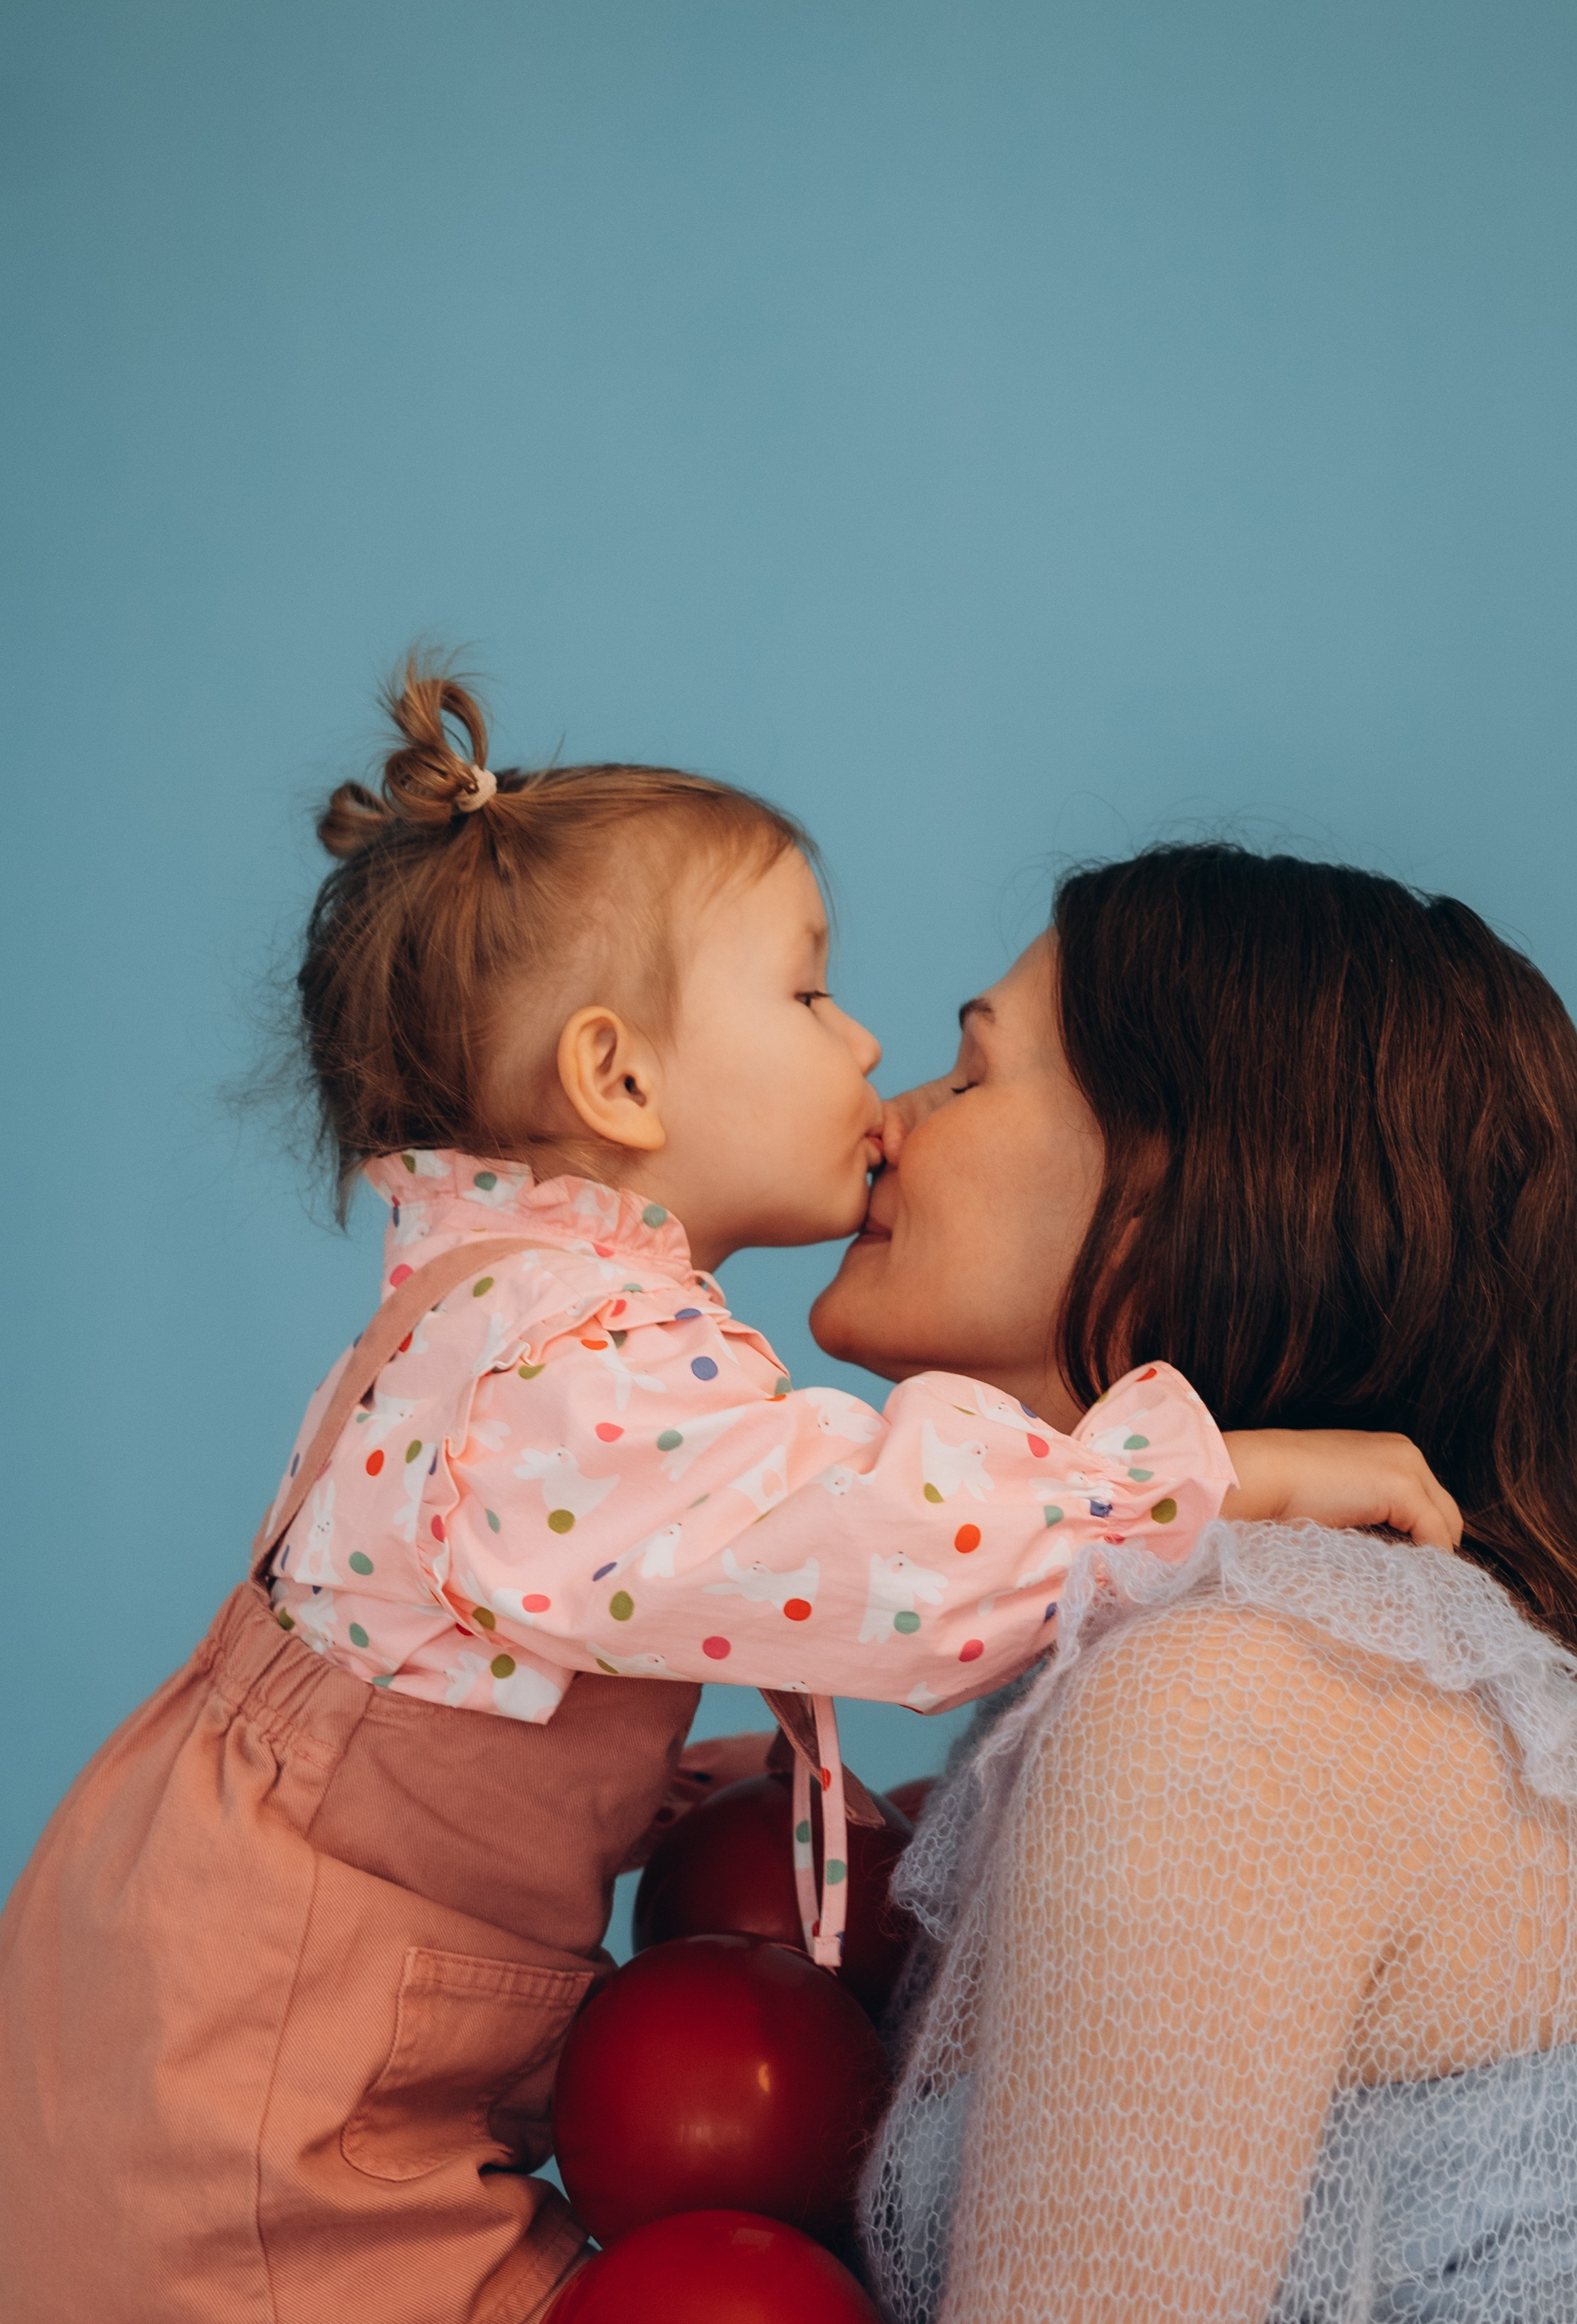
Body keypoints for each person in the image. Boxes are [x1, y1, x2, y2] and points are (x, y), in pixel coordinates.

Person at [0, 664, 1451, 2324]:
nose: (868, 1047)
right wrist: (1202, 1475)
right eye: (809, 992)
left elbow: (461, 1701)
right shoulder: (570, 1358)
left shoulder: (509, 1307)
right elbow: (894, 1560)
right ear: (618, 1081)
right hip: (263, 2082)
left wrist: (688, 1790)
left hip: (224, 2004)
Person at [827, 843, 1577, 2323]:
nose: (880, 1123)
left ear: (1178, 1193)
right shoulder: (1276, 1662)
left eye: (968, 1075)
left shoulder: (1234, 1697)